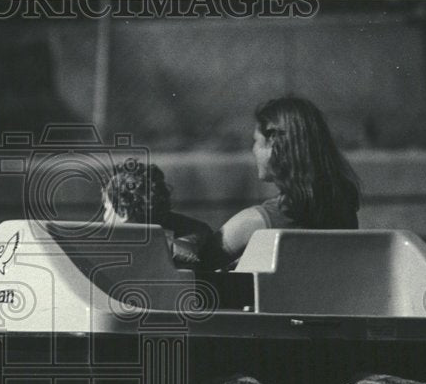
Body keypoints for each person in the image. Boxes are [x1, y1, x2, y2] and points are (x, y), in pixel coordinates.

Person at [200, 96, 361, 270]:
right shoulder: (345, 214)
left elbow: (192, 269)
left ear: (273, 146)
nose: (253, 149)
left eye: (256, 141)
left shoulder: (253, 223)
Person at [102, 158, 213, 268]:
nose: (104, 217)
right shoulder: (194, 233)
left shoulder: (112, 247)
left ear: (124, 213)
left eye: (106, 208)